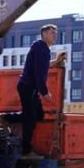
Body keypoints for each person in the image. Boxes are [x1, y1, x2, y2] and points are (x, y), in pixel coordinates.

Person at [16, 24, 57, 157]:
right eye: (52, 33)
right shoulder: (41, 48)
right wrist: (44, 92)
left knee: (38, 115)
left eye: (55, 33)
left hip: (30, 87)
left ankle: (8, 117)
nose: (55, 35)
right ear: (44, 34)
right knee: (30, 118)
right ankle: (26, 150)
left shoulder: (42, 48)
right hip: (28, 87)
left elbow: (42, 66)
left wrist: (56, 61)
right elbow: (39, 72)